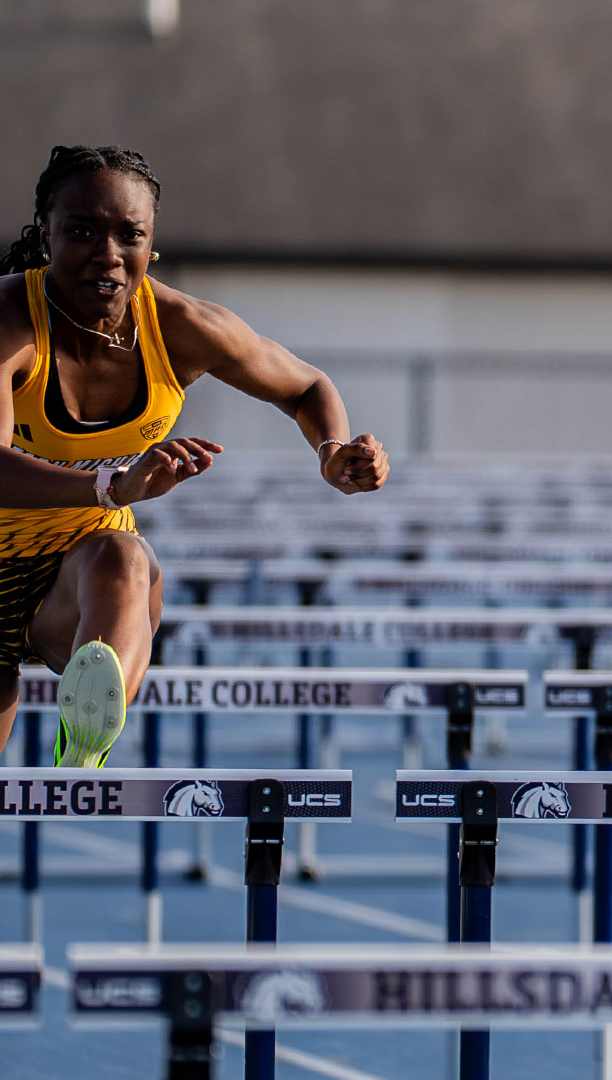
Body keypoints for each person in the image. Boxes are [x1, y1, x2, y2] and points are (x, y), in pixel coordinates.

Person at [0, 145, 389, 765]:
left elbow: (306, 386)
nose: (108, 254)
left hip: (74, 575)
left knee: (126, 559)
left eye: (129, 235)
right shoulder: (9, 321)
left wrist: (333, 449)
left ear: (150, 246)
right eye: (81, 232)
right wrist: (111, 485)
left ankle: (85, 741)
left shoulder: (182, 325)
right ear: (45, 235)